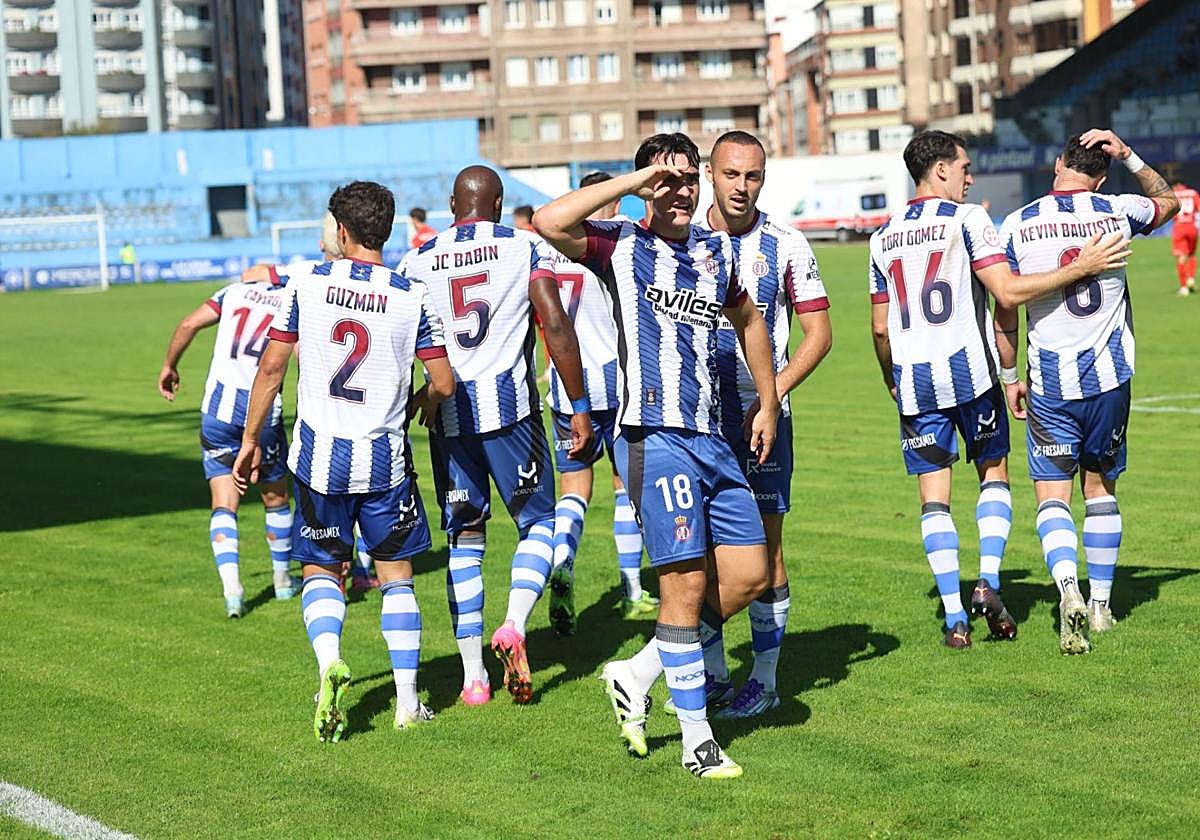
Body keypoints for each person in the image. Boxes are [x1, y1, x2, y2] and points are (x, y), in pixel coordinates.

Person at [534, 132, 781, 779]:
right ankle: (699, 743)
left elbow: (751, 321)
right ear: (647, 187)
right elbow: (547, 220)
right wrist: (633, 181)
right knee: (685, 585)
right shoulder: (622, 246)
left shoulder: (713, 251)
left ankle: (638, 670)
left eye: (686, 179)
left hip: (713, 440)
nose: (681, 192)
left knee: (752, 572)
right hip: (653, 437)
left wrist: (770, 402)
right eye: (666, 181)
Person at [868, 129, 1130, 649]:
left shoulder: (882, 234)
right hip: (972, 374)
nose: (970, 176)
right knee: (995, 475)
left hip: (915, 380)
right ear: (939, 170)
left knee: (933, 498)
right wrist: (1080, 267)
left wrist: (890, 377)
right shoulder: (969, 219)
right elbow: (1007, 292)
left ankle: (953, 618)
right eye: (963, 167)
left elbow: (880, 328)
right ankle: (987, 580)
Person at [232, 181, 456, 741]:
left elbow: (271, 369)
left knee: (321, 570)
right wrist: (419, 402)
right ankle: (408, 703)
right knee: (396, 578)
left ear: (342, 230)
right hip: (384, 461)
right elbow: (444, 382)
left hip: (318, 459)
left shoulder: (307, 283)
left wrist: (252, 439)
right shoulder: (412, 295)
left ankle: (330, 662)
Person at [399, 166, 592, 706]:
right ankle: (513, 624)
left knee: (465, 541)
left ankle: (473, 680)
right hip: (512, 415)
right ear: (501, 202)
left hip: (449, 418)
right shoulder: (523, 245)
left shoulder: (417, 260)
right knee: (539, 525)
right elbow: (554, 323)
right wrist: (577, 406)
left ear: (450, 202)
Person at [997, 130, 1178, 654]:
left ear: (1057, 165)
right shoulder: (1117, 209)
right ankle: (1100, 606)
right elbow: (1169, 201)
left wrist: (1010, 377)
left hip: (1050, 380)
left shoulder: (1019, 224)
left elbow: (1004, 309)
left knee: (1052, 493)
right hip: (1109, 379)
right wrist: (1131, 156)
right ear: (1100, 176)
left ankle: (1068, 591)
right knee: (1099, 489)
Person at [701, 130, 832, 718]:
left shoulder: (785, 244)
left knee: (768, 550)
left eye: (752, 176)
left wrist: (772, 398)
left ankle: (764, 677)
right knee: (696, 553)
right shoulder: (682, 241)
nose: (742, 186)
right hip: (693, 416)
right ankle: (708, 671)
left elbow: (819, 335)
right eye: (731, 174)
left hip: (763, 419)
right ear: (711, 173)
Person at [542, 171, 658, 637]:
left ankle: (563, 564)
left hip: (565, 385)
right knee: (624, 488)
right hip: (616, 382)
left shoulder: (548, 257)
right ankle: (632, 591)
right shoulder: (612, 254)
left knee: (573, 489)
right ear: (606, 203)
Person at [157, 270, 298, 618]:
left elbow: (189, 324)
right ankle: (282, 581)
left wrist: (168, 366)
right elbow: (301, 353)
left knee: (223, 501)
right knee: (275, 496)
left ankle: (232, 590)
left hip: (217, 413)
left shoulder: (232, 292)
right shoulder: (289, 299)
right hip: (262, 412)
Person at [1171, 182, 1197, 294]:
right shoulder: (1192, 193)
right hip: (1192, 227)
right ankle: (1191, 278)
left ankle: (1184, 287)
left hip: (1179, 228)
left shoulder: (1173, 194)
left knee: (1181, 257)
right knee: (1191, 254)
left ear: (1175, 186)